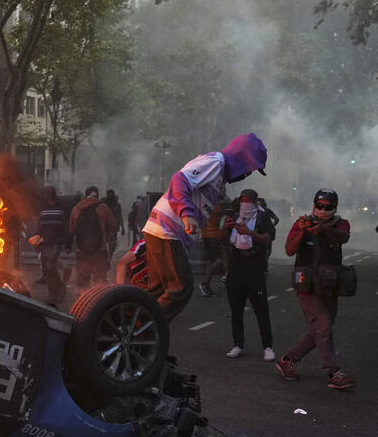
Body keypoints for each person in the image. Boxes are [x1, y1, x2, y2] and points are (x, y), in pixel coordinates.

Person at [141, 133, 268, 321]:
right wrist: (187, 214)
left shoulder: (220, 176)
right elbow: (179, 180)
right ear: (240, 157)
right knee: (180, 288)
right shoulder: (216, 162)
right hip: (167, 229)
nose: (247, 174)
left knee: (157, 290)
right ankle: (145, 329)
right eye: (249, 168)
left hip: (164, 230)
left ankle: (143, 340)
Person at [275, 189, 354, 389]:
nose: (322, 210)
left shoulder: (340, 224)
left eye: (327, 207)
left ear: (334, 208)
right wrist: (303, 230)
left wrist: (323, 229)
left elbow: (343, 237)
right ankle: (332, 371)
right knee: (323, 326)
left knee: (320, 329)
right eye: (319, 206)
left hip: (329, 284)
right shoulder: (303, 223)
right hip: (307, 285)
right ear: (313, 205)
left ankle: (288, 359)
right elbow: (289, 249)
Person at [221, 189, 275, 360]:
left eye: (248, 200)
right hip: (236, 271)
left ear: (255, 201)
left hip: (255, 271)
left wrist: (250, 233)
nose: (245, 204)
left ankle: (267, 346)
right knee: (236, 310)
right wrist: (226, 227)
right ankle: (238, 344)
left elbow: (267, 238)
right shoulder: (234, 217)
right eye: (243, 200)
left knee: (261, 310)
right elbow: (220, 238)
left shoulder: (262, 217)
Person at [70, 186, 117, 289]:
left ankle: (84, 304)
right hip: (99, 252)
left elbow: (71, 230)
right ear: (97, 195)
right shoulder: (103, 207)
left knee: (83, 285)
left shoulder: (75, 209)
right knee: (99, 287)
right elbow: (113, 226)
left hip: (81, 252)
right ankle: (98, 305)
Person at [30, 186, 69, 306]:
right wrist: (36, 240)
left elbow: (65, 228)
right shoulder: (43, 211)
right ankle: (54, 292)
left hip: (55, 243)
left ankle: (57, 292)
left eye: (45, 195)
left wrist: (67, 241)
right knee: (47, 271)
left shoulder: (61, 210)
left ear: (50, 196)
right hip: (44, 243)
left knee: (51, 267)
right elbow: (39, 227)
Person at [198, 197, 230, 297]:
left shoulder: (212, 203)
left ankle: (206, 285)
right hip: (212, 236)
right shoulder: (209, 203)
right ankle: (205, 283)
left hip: (211, 235)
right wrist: (201, 236)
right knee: (219, 260)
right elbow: (202, 219)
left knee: (211, 260)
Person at [103, 190, 125, 256]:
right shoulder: (116, 205)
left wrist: (123, 227)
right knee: (111, 244)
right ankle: (108, 257)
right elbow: (120, 216)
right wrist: (122, 228)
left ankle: (108, 257)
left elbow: (120, 216)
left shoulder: (103, 204)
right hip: (110, 226)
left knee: (109, 243)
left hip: (109, 226)